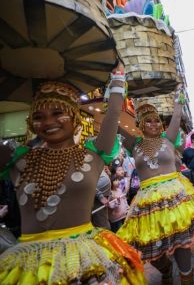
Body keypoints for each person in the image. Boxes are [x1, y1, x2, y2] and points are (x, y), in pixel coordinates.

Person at [0, 68, 145, 284]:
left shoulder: (92, 154)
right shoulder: (18, 160)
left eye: (58, 113)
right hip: (32, 267)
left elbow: (113, 114)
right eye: (39, 117)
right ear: (31, 123)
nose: (49, 122)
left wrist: (117, 79)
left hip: (86, 257)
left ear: (75, 116)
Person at [117, 94, 194, 285]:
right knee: (149, 245)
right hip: (147, 203)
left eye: (157, 120)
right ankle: (166, 268)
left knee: (181, 240)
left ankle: (186, 277)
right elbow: (114, 126)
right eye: (148, 121)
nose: (154, 124)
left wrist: (179, 99)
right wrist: (116, 96)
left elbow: (175, 116)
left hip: (174, 197)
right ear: (140, 124)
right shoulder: (134, 144)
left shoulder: (168, 139)